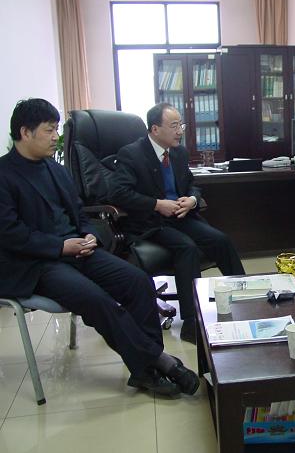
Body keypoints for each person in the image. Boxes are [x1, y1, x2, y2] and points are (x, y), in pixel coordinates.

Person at [0, 98, 199, 397]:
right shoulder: (4, 175)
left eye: (56, 129)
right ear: (25, 132)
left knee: (138, 282)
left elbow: (80, 213)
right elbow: (10, 234)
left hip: (78, 249)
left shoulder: (55, 170)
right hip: (37, 263)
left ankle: (146, 369)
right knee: (98, 300)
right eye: (49, 130)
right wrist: (60, 246)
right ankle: (159, 364)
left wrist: (89, 234)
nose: (56, 137)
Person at [110, 103, 245, 344]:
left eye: (180, 125)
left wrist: (192, 200)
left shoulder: (178, 153)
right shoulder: (131, 154)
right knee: (186, 247)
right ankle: (191, 323)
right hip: (149, 222)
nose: (180, 131)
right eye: (174, 126)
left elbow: (192, 184)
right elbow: (119, 194)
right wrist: (156, 204)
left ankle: (246, 295)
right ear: (155, 129)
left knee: (220, 240)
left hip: (181, 216)